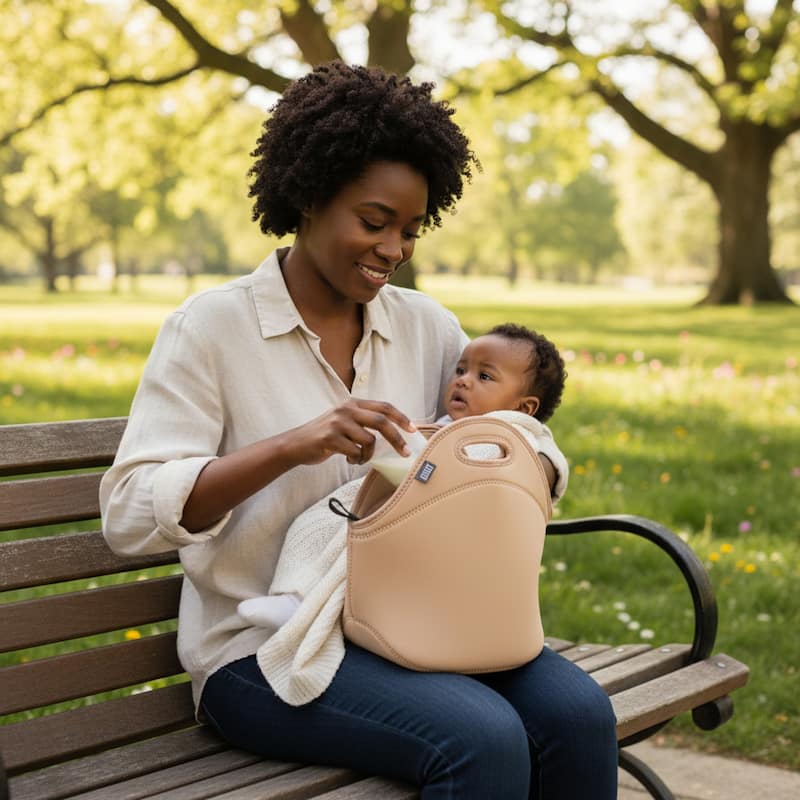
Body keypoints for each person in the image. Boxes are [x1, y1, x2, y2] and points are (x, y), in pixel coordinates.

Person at [100, 61, 617, 799]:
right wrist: (292, 445)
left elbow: (497, 442)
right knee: (482, 738)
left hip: (420, 624)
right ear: (308, 197)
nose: (393, 250)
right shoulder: (211, 330)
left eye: (410, 230)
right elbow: (128, 512)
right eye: (374, 223)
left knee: (579, 713)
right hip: (259, 650)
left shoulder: (427, 327)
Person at [239, 322, 570, 637]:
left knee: (356, 539)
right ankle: (296, 597)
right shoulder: (450, 424)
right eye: (460, 370)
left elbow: (489, 473)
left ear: (524, 408)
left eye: (484, 376)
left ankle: (307, 603)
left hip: (446, 533)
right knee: (321, 520)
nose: (463, 380)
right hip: (409, 511)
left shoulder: (511, 435)